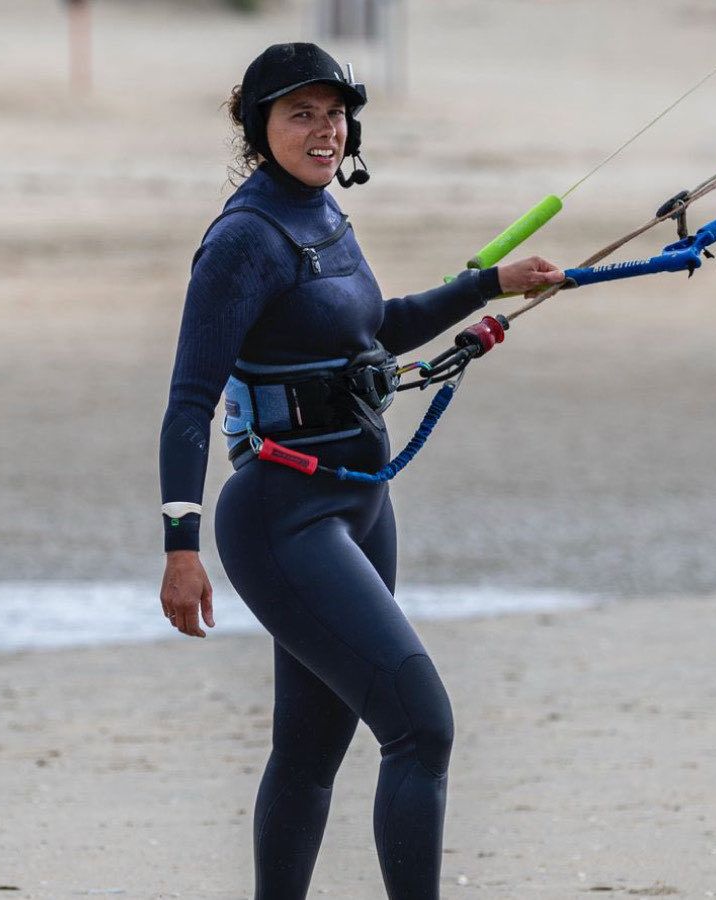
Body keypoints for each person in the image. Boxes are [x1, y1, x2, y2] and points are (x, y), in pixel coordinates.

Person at [156, 44, 563, 899]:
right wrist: (180, 545)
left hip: (358, 506)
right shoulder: (243, 239)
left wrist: (488, 283)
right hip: (282, 518)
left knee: (309, 753)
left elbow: (375, 327)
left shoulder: (322, 213)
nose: (325, 129)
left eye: (334, 112)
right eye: (300, 113)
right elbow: (189, 401)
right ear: (258, 126)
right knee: (423, 728)